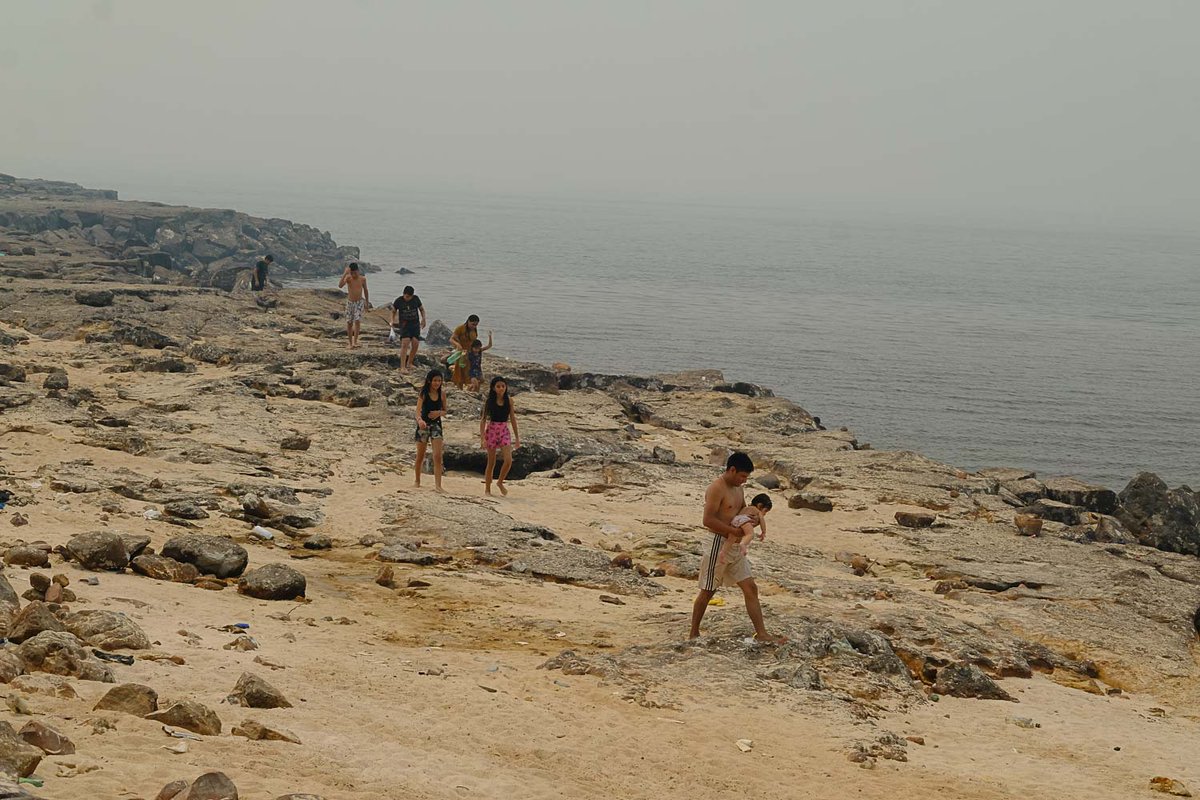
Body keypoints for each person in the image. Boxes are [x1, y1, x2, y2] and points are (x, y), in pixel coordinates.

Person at [689, 452, 786, 644]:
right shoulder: (717, 488)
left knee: (750, 587)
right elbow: (707, 520)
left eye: (746, 477)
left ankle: (762, 634)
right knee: (708, 590)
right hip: (718, 543)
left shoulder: (738, 489)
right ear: (732, 470)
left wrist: (752, 521)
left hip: (734, 545)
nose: (744, 480)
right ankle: (693, 633)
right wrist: (733, 531)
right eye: (742, 476)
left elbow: (742, 511)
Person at [479, 376, 520, 496]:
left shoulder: (509, 400)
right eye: (498, 386)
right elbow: (483, 420)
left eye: (503, 386)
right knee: (491, 462)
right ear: (493, 388)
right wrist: (482, 438)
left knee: (508, 460)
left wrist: (517, 437)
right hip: (492, 430)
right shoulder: (489, 401)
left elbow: (512, 418)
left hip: (504, 430)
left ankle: (500, 482)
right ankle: (487, 489)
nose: (501, 388)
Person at [413, 369, 447, 492]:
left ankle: (438, 485)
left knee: (438, 456)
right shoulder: (424, 393)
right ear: (429, 381)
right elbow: (417, 411)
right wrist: (420, 421)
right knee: (420, 455)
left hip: (436, 425)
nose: (437, 383)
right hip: (423, 426)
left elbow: (445, 410)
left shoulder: (442, 394)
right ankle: (417, 480)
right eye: (435, 380)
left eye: (439, 380)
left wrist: (439, 413)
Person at [717, 493, 772, 566]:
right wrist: (763, 532)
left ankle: (723, 552)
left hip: (735, 520)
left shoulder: (745, 508)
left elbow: (739, 516)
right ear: (759, 505)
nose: (765, 514)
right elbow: (762, 520)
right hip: (745, 520)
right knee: (749, 534)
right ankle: (743, 544)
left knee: (731, 538)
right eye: (765, 511)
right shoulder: (756, 510)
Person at [390, 285, 426, 371]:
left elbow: (422, 309)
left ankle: (409, 363)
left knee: (415, 344)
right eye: (406, 296)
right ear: (403, 294)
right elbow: (393, 311)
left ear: (412, 296)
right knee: (405, 344)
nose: (407, 298)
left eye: (409, 297)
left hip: (415, 324)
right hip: (404, 325)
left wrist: (423, 319)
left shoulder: (416, 299)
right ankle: (402, 366)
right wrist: (391, 320)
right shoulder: (399, 301)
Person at [338, 263, 370, 349]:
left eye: (355, 273)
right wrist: (345, 273)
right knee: (349, 323)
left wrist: (367, 302)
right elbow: (340, 285)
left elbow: (366, 290)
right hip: (350, 303)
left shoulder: (362, 279)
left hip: (359, 303)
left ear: (358, 271)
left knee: (357, 321)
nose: (354, 275)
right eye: (352, 273)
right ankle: (350, 343)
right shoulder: (349, 278)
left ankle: (355, 341)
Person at [449, 315, 480, 388]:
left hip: (470, 353)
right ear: (468, 321)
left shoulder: (474, 330)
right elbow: (451, 339)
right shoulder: (460, 328)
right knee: (459, 371)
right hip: (461, 353)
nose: (474, 326)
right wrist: (457, 344)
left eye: (476, 325)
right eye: (473, 324)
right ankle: (459, 387)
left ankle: (467, 386)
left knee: (469, 371)